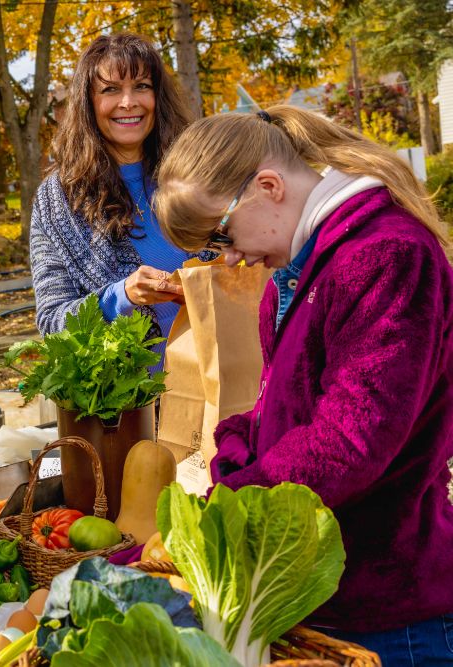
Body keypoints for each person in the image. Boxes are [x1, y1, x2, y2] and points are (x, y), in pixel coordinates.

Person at [153, 105, 453, 665]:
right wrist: (239, 438)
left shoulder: (387, 256)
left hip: (390, 612)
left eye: (222, 237)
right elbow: (286, 407)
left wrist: (232, 502)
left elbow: (349, 442)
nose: (232, 258)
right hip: (323, 588)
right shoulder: (291, 279)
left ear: (267, 186)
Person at [29, 33, 209, 357]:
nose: (128, 102)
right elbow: (53, 322)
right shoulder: (58, 202)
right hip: (137, 400)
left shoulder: (197, 172)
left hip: (225, 383)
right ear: (89, 102)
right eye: (111, 89)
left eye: (141, 86)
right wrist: (122, 295)